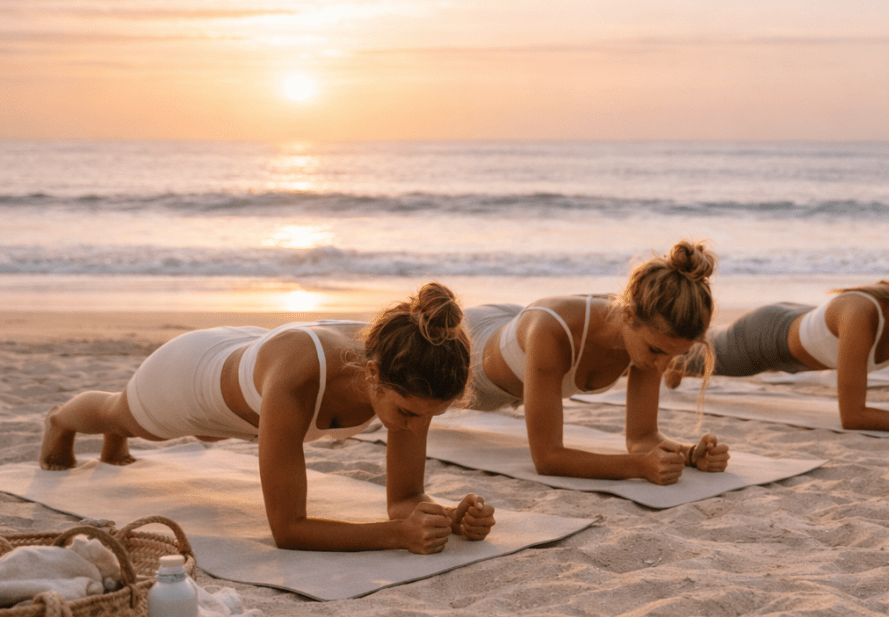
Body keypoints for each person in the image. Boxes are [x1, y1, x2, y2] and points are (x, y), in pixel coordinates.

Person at [39, 283, 496, 554]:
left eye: (430, 417)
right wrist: (399, 536)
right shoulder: (299, 379)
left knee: (211, 433)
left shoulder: (414, 373)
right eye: (409, 415)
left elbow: (406, 497)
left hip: (251, 367)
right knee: (123, 414)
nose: (416, 428)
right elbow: (288, 529)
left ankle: (116, 439)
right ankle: (61, 421)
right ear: (373, 376)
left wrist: (446, 517)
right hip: (190, 373)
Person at [668, 235, 889, 434]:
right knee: (685, 354)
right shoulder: (861, 313)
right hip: (764, 339)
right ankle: (677, 361)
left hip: (798, 324)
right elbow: (853, 417)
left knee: (692, 354)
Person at [464, 240, 730, 484]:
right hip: (469, 348)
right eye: (657, 351)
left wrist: (691, 455)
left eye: (675, 355)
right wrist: (638, 467)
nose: (663, 366)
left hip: (512, 324)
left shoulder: (649, 329)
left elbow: (642, 438)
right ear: (628, 315)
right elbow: (547, 458)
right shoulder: (552, 334)